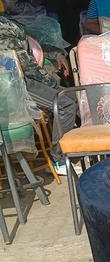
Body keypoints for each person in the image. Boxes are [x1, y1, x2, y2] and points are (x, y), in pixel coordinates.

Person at [0, 15, 75, 158]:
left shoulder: (6, 21)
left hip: (25, 79)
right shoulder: (3, 27)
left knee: (77, 97)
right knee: (64, 105)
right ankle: (60, 158)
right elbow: (21, 63)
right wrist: (50, 83)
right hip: (15, 84)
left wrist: (56, 53)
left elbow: (29, 47)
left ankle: (82, 148)